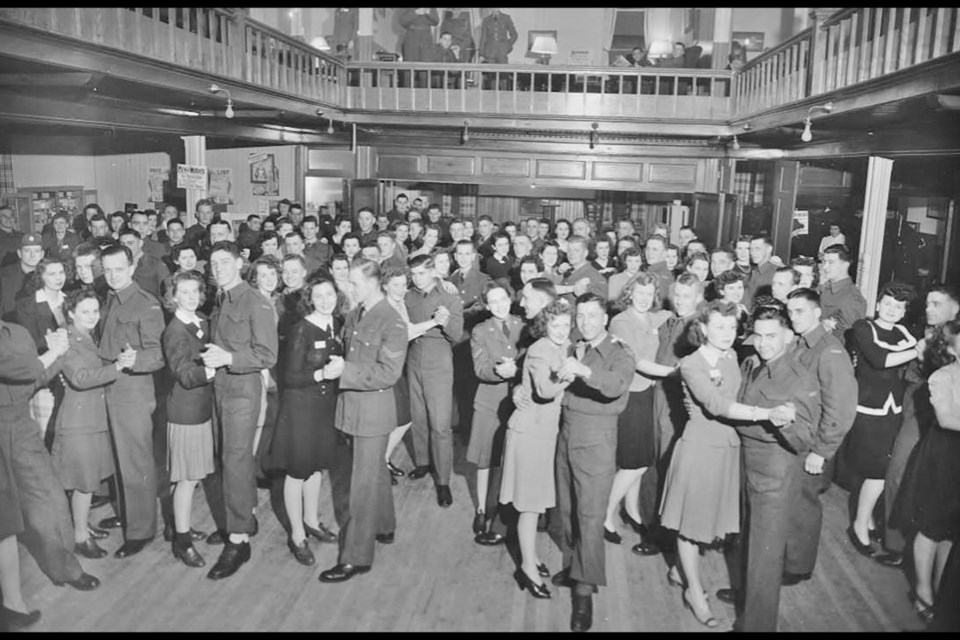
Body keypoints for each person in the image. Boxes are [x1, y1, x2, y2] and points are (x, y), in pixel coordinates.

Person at [658, 300, 795, 628]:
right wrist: (767, 414)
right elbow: (718, 405)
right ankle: (694, 591)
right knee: (691, 526)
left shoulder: (733, 356)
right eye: (719, 326)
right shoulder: (691, 364)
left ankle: (679, 569)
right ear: (703, 329)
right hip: (700, 449)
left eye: (732, 327)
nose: (726, 333)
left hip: (728, 448)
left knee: (708, 521)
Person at [318, 259, 408, 583]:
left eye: (354, 283)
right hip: (354, 408)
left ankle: (356, 556)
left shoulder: (392, 321)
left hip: (374, 414)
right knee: (373, 473)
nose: (349, 288)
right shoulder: (356, 315)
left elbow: (388, 373)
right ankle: (385, 526)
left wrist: (345, 371)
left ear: (371, 283)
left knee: (361, 484)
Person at [549, 293, 634, 633]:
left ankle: (584, 592)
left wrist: (584, 370)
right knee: (568, 508)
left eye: (591, 316)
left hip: (597, 437)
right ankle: (574, 567)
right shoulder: (574, 346)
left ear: (605, 318)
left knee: (590, 514)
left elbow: (615, 386)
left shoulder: (618, 351)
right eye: (579, 316)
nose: (584, 322)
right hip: (567, 431)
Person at [0, 315, 101, 596]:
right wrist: (53, 351)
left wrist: (60, 352)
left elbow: (34, 378)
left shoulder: (18, 332)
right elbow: (21, 369)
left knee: (50, 499)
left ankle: (66, 569)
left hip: (20, 427)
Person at [734, 302, 819, 632]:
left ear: (787, 335)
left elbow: (804, 439)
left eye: (772, 336)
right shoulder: (752, 363)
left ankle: (756, 626)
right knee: (748, 546)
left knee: (765, 558)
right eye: (758, 335)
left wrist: (785, 423)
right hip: (745, 464)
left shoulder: (798, 376)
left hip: (774, 472)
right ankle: (748, 609)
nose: (763, 343)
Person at [201, 241, 278, 580]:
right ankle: (243, 517)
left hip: (242, 391)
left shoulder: (255, 301)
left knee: (234, 460)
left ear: (239, 263)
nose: (217, 269)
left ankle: (239, 540)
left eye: (223, 262)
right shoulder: (223, 299)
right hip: (221, 389)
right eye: (213, 264)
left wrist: (229, 359)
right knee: (231, 460)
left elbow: (267, 355)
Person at [781, 288, 857, 585]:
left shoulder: (829, 351)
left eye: (800, 311)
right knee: (791, 501)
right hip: (794, 437)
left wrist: (821, 451)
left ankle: (798, 566)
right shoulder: (801, 343)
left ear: (817, 313)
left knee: (803, 504)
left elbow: (841, 410)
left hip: (811, 444)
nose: (793, 317)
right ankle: (787, 556)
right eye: (790, 312)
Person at [499, 298, 574, 599]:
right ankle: (528, 568)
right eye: (555, 325)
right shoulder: (541, 349)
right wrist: (570, 375)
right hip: (530, 433)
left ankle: (532, 557)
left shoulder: (563, 346)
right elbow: (544, 389)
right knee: (530, 506)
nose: (561, 330)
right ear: (545, 325)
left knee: (536, 503)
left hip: (542, 432)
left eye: (566, 325)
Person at [880, 285, 960, 566]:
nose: (928, 309)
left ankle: (912, 550)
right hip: (917, 403)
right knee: (899, 472)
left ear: (955, 310)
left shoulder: (954, 339)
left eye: (937, 304)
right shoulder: (923, 332)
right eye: (927, 304)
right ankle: (897, 545)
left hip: (939, 412)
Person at [270, 275, 345, 567]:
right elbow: (288, 377)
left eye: (330, 295)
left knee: (315, 467)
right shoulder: (301, 329)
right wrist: (320, 375)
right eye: (319, 296)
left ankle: (312, 520)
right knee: (297, 471)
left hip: (323, 407)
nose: (326, 300)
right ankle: (298, 535)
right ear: (310, 300)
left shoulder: (335, 325)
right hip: (300, 408)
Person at [97, 244, 165, 559]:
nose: (112, 275)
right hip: (108, 385)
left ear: (132, 266)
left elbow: (159, 353)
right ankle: (127, 513)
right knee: (116, 457)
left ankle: (141, 530)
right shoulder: (108, 298)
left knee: (135, 461)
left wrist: (135, 359)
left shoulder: (145, 304)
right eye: (107, 269)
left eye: (118, 269)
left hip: (133, 390)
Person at [842, 282, 919, 557]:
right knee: (877, 471)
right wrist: (919, 350)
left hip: (893, 410)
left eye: (898, 307)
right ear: (877, 305)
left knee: (881, 469)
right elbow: (880, 359)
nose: (891, 310)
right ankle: (859, 526)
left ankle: (868, 518)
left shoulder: (903, 332)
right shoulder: (864, 328)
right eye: (887, 304)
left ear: (904, 311)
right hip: (867, 409)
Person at [892, 318, 960, 624]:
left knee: (950, 531)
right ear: (951, 345)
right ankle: (922, 591)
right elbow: (946, 418)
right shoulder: (943, 376)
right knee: (932, 526)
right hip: (944, 455)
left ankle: (940, 589)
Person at [52, 289, 127, 560]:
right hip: (78, 423)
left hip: (91, 419)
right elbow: (81, 378)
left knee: (88, 482)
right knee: (83, 484)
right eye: (85, 311)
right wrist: (116, 368)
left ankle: (82, 525)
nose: (92, 316)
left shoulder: (86, 336)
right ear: (70, 313)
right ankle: (80, 537)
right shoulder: (69, 340)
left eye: (95, 311)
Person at [604, 273, 673, 544]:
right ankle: (605, 514)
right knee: (635, 463)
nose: (644, 298)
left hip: (647, 394)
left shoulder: (653, 317)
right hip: (629, 396)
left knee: (641, 462)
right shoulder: (620, 322)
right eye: (639, 293)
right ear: (629, 293)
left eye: (649, 293)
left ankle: (631, 512)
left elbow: (674, 313)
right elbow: (640, 362)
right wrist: (677, 372)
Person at [160, 271, 216, 568]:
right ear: (173, 297)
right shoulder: (175, 330)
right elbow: (183, 373)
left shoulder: (200, 321)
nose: (192, 296)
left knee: (188, 476)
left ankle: (176, 525)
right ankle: (182, 542)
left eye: (195, 291)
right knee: (188, 478)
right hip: (185, 412)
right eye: (184, 292)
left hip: (199, 408)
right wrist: (212, 369)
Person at [404, 254, 464, 507]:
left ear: (432, 272)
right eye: (413, 274)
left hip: (439, 360)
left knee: (440, 425)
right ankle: (423, 462)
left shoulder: (449, 296)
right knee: (418, 417)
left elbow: (457, 335)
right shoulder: (407, 296)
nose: (417, 278)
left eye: (421, 273)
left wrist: (447, 321)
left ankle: (443, 481)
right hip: (413, 357)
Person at [468, 282, 522, 542]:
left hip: (519, 402)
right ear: (487, 305)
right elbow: (480, 367)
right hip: (490, 401)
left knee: (511, 460)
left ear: (510, 299)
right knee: (485, 459)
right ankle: (481, 509)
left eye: (503, 298)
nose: (500, 304)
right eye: (494, 301)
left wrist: (518, 371)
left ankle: (508, 509)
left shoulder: (524, 325)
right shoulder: (480, 330)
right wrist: (499, 371)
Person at [14, 257, 68, 440]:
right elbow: (28, 345)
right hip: (45, 380)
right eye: (52, 273)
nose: (58, 278)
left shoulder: (70, 300)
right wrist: (50, 345)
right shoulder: (26, 305)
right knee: (46, 433)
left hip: (71, 376)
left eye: (61, 272)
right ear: (41, 277)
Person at [819, 245, 866, 346]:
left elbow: (849, 340)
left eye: (830, 262)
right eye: (824, 261)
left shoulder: (852, 297)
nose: (825, 267)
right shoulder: (826, 289)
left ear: (846, 265)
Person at [0, 233, 44, 322]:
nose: (32, 255)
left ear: (42, 254)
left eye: (37, 251)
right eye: (27, 251)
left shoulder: (48, 275)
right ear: (19, 253)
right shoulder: (3, 276)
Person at [556, 236, 607, 303]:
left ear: (585, 253)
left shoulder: (593, 276)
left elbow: (602, 303)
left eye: (576, 250)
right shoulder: (568, 271)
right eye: (569, 250)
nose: (571, 254)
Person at [747, 235, 778, 301]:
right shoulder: (753, 271)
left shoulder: (776, 273)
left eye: (757, 249)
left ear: (769, 249)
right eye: (751, 249)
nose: (752, 253)